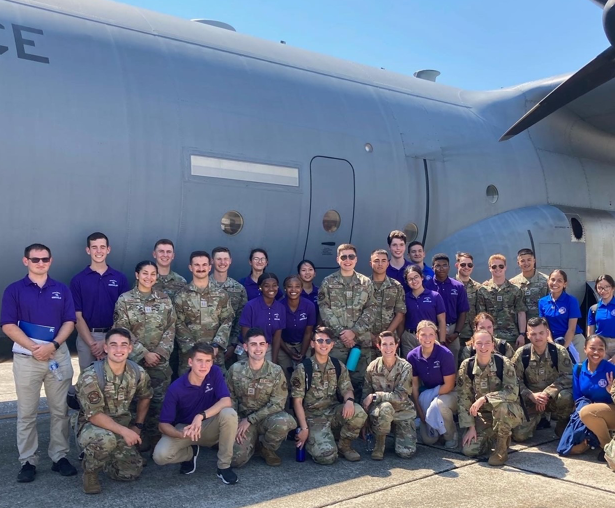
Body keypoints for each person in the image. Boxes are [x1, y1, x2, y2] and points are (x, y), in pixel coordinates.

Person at [1, 243, 78, 482]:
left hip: (57, 355)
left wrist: (52, 346)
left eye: (45, 259)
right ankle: (28, 461)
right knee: (26, 413)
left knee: (59, 410)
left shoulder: (61, 289)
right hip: (28, 358)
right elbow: (8, 325)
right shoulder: (14, 290)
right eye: (35, 260)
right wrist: (34, 348)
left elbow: (69, 321)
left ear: (50, 261)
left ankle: (59, 457)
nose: (40, 263)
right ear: (26, 261)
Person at [75, 328, 153, 494]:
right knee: (106, 440)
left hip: (121, 426)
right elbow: (95, 416)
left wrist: (137, 426)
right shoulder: (91, 376)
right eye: (114, 345)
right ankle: (90, 472)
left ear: (130, 348)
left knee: (130, 473)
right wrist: (125, 431)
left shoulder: (137, 373)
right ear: (106, 348)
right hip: (94, 427)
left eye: (124, 345)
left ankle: (110, 458)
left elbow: (146, 396)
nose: (119, 350)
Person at [153, 343, 238, 484]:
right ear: (190, 362)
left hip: (209, 425)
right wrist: (182, 435)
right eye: (199, 361)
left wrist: (200, 416)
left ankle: (224, 467)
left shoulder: (215, 373)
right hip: (186, 429)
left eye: (208, 361)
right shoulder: (176, 388)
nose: (203, 366)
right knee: (160, 456)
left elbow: (226, 401)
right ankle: (190, 454)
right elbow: (163, 425)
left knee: (229, 413)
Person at [113, 260, 177, 449]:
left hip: (159, 362)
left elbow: (170, 328)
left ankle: (157, 437)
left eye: (153, 274)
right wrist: (143, 353)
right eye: (145, 273)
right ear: (137, 275)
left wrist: (158, 353)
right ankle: (134, 440)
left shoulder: (164, 300)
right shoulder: (125, 300)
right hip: (134, 361)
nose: (149, 277)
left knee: (159, 401)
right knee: (134, 400)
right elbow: (122, 329)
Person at [291, 327, 368, 464]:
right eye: (319, 340)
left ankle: (344, 446)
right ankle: (320, 438)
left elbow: (347, 389)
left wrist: (349, 401)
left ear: (332, 345)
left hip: (332, 412)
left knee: (358, 412)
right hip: (313, 418)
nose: (324, 344)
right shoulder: (303, 368)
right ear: (312, 344)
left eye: (327, 341)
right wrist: (304, 428)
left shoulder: (338, 365)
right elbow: (297, 402)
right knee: (327, 457)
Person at [227, 328, 297, 467]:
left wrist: (251, 419)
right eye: (253, 344)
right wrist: (234, 423)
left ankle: (266, 448)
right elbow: (230, 399)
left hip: (266, 418)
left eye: (261, 344)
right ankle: (252, 444)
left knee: (285, 421)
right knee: (235, 461)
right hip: (242, 421)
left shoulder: (276, 371)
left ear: (267, 346)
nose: (258, 348)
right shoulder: (235, 370)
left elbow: (278, 404)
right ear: (246, 347)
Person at [457, 329, 524, 466]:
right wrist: (471, 427)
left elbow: (511, 393)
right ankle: (492, 434)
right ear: (473, 345)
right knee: (469, 450)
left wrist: (485, 398)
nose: (483, 347)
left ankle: (501, 448)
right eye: (479, 343)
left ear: (493, 345)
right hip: (484, 415)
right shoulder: (467, 366)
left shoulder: (503, 363)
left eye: (487, 343)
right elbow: (464, 397)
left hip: (508, 411)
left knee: (501, 407)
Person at [318, 244, 376, 399]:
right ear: (338, 259)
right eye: (343, 257)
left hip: (360, 344)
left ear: (356, 259)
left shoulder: (366, 283)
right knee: (334, 384)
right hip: (337, 345)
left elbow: (371, 309)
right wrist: (342, 334)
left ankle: (359, 419)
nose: (347, 260)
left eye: (351, 256)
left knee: (360, 385)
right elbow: (324, 310)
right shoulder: (328, 283)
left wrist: (354, 332)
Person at [70, 232, 130, 372]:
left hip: (114, 335)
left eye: (102, 247)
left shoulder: (120, 278)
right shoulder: (78, 280)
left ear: (108, 249)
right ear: (88, 250)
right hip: (87, 337)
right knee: (88, 379)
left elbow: (124, 313)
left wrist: (106, 341)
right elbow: (76, 316)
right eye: (94, 247)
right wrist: (93, 344)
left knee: (114, 377)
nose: (99, 251)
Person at [511, 317, 574, 441]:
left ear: (547, 333)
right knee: (519, 436)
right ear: (528, 335)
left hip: (552, 398)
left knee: (566, 396)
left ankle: (562, 422)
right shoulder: (522, 353)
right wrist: (530, 395)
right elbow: (514, 380)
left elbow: (568, 376)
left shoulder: (559, 351)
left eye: (541, 333)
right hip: (531, 399)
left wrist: (547, 393)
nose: (538, 337)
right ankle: (538, 418)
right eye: (533, 334)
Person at [174, 251, 234, 374]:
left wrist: (217, 345)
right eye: (197, 265)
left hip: (215, 355)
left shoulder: (221, 294)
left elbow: (227, 320)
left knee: (215, 390)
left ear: (210, 267)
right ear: (190, 267)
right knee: (189, 390)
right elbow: (177, 323)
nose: (201, 268)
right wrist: (193, 348)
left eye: (204, 265)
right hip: (189, 357)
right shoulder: (181, 296)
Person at [363, 331, 416, 460]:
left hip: (402, 411)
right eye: (384, 344)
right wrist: (364, 423)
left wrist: (376, 396)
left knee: (406, 453)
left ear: (397, 345)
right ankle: (379, 444)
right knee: (386, 407)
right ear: (378, 346)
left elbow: (401, 396)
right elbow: (365, 397)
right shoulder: (372, 367)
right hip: (381, 412)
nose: (388, 348)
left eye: (391, 344)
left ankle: (396, 433)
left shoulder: (405, 367)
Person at [407, 321, 458, 449]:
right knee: (429, 440)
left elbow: (450, 385)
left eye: (431, 334)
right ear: (417, 336)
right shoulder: (412, 356)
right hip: (427, 395)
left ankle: (451, 436)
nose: (427, 338)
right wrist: (420, 412)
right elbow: (414, 386)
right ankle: (435, 428)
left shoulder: (445, 354)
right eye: (423, 334)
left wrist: (430, 396)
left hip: (449, 393)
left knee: (438, 406)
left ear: (436, 335)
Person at [572, 335, 615, 459]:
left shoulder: (611, 370)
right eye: (592, 348)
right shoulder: (579, 369)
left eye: (601, 349)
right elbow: (578, 397)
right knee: (571, 446)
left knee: (587, 412)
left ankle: (607, 448)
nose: (596, 352)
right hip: (587, 411)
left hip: (609, 412)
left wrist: (611, 391)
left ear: (605, 351)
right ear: (585, 349)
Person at [424, 253, 469, 362]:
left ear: (449, 267)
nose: (441, 268)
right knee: (431, 359)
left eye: (444, 265)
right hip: (432, 330)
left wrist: (456, 333)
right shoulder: (426, 286)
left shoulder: (458, 286)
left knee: (452, 361)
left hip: (452, 329)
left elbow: (462, 312)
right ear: (432, 268)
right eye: (438, 266)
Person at [477, 254, 527, 348]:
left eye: (501, 266)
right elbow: (481, 316)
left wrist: (522, 334)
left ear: (505, 268)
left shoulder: (515, 290)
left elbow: (521, 313)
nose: (497, 269)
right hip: (490, 338)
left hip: (511, 337)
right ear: (490, 268)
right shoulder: (483, 290)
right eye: (494, 266)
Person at [210, 247, 248, 367]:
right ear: (212, 261)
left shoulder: (239, 289)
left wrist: (233, 345)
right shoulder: (202, 286)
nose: (222, 262)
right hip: (205, 345)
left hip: (229, 346)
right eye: (219, 259)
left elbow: (241, 319)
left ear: (230, 261)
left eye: (225, 259)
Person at [538, 269, 586, 362]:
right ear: (548, 281)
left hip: (573, 340)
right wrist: (552, 345)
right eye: (552, 279)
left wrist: (563, 349)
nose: (555, 283)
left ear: (565, 284)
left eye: (559, 280)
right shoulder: (542, 302)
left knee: (578, 372)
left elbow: (571, 329)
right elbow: (545, 327)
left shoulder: (571, 301)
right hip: (553, 341)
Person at [369, 249, 406, 364]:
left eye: (383, 261)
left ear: (388, 263)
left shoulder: (396, 286)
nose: (380, 264)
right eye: (376, 261)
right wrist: (370, 335)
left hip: (389, 341)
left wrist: (385, 336)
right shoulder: (362, 285)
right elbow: (356, 312)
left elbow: (400, 314)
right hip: (366, 339)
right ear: (371, 263)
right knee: (364, 373)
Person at [239, 272, 286, 363]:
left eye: (274, 285)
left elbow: (277, 337)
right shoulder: (251, 306)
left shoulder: (280, 308)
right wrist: (253, 359)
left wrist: (274, 361)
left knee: (267, 375)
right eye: (267, 286)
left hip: (266, 348)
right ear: (260, 287)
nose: (271, 289)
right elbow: (245, 335)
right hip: (247, 348)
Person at [401, 265, 446, 359]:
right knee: (410, 368)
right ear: (407, 282)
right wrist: (401, 337)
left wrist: (442, 341)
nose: (414, 281)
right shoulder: (404, 298)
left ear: (422, 277)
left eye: (416, 277)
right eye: (410, 279)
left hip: (429, 338)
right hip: (409, 338)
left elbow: (442, 321)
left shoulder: (435, 296)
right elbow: (401, 319)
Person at [278, 275, 317, 384]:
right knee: (284, 377)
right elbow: (277, 334)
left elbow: (308, 332)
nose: (293, 290)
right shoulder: (279, 306)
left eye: (297, 286)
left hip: (303, 344)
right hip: (284, 345)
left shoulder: (309, 306)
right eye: (290, 286)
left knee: (304, 376)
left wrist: (303, 354)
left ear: (301, 288)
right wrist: (289, 353)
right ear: (285, 288)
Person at [509, 248, 549, 321]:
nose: (526, 263)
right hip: (520, 325)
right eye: (522, 261)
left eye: (529, 260)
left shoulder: (546, 281)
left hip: (541, 325)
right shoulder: (512, 283)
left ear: (534, 260)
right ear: (518, 263)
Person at [455, 252, 482, 346]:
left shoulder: (478, 287)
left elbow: (480, 312)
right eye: (463, 264)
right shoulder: (450, 285)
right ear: (457, 265)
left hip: (472, 334)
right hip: (454, 334)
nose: (466, 267)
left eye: (469, 265)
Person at [587, 274, 615, 360]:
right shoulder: (593, 309)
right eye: (600, 288)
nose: (604, 290)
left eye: (607, 287)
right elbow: (590, 334)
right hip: (601, 346)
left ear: (613, 288)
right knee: (601, 371)